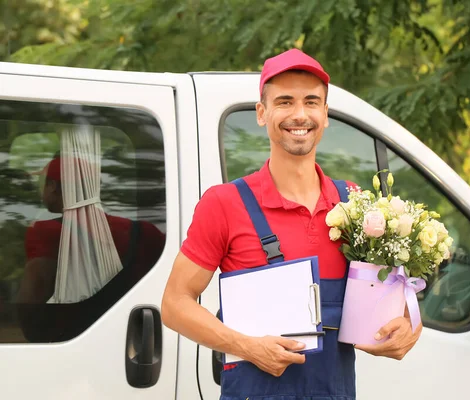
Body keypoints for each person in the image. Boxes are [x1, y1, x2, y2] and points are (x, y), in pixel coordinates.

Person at [161, 48, 422, 399]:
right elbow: (175, 304)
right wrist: (248, 346)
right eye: (284, 102)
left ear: (325, 114)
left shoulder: (355, 206)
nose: (300, 114)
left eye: (311, 102)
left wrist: (409, 327)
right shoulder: (224, 204)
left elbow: (386, 299)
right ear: (261, 112)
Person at [16, 155, 165, 341]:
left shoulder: (48, 233)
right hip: (134, 342)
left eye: (43, 183)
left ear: (53, 187)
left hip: (72, 348)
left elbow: (31, 307)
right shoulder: (146, 233)